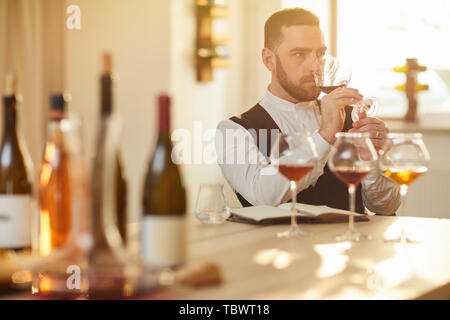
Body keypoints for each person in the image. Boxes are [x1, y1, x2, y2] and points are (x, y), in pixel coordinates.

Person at [215, 7, 400, 215]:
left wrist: (371, 159)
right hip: (275, 246)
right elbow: (263, 196)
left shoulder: (352, 118)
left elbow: (387, 206)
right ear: (269, 60)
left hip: (350, 244)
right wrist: (325, 135)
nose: (315, 66)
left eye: (320, 53)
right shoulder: (233, 131)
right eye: (299, 54)